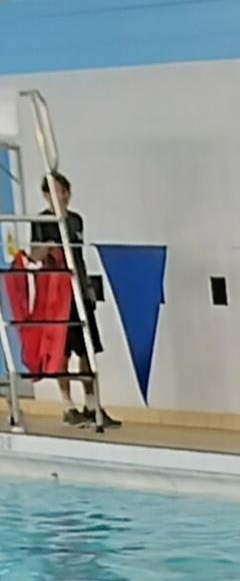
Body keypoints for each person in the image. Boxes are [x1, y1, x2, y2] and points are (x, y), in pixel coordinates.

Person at [30, 174, 115, 433]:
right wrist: (48, 247)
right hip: (58, 295)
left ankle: (91, 404)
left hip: (78, 290)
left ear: (69, 193)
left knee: (87, 349)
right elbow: (34, 255)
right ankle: (68, 406)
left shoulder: (76, 220)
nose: (61, 196)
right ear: (46, 195)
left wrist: (88, 288)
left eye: (63, 191)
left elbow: (79, 257)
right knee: (63, 351)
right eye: (54, 192)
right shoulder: (41, 221)